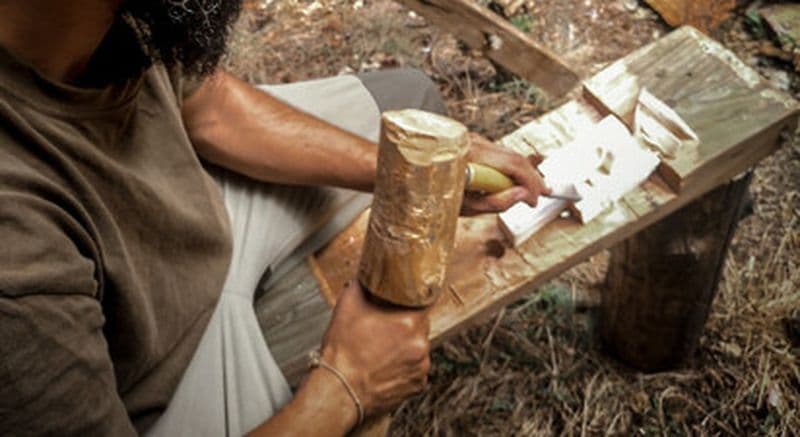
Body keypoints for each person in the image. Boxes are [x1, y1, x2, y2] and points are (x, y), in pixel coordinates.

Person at [0, 1, 549, 435]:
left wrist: (401, 170)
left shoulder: (85, 18)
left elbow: (209, 107)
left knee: (409, 101)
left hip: (190, 224)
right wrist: (347, 386)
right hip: (161, 374)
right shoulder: (14, 247)